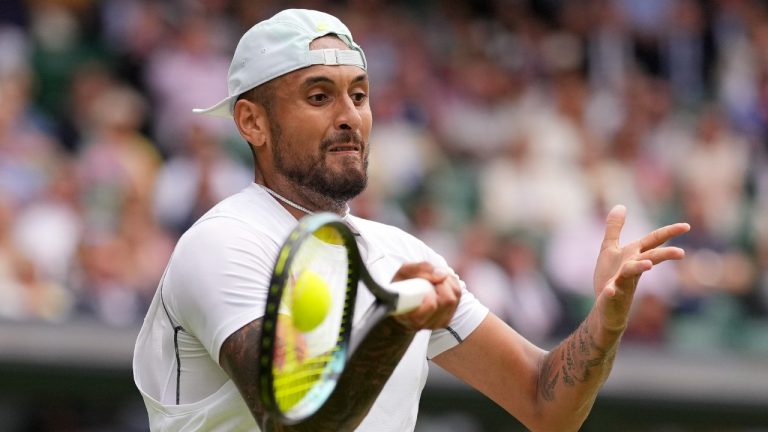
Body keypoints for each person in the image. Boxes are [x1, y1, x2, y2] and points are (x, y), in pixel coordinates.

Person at [132, 9, 690, 432]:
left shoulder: (398, 252)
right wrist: (395, 323)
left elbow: (546, 402)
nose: (350, 116)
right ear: (252, 122)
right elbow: (294, 422)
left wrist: (607, 318)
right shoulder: (222, 242)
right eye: (319, 96)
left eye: (359, 94)